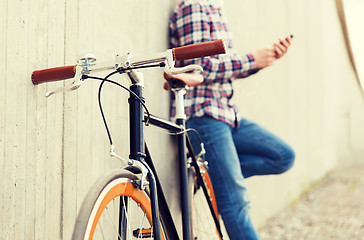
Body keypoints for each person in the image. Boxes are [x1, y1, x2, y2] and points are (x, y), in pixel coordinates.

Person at [168, 0, 295, 239]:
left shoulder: (215, 8)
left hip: (226, 114)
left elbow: (225, 69)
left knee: (283, 156)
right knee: (236, 206)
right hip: (203, 117)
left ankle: (216, 178)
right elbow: (198, 68)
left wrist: (264, 59)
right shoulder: (194, 7)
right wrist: (250, 59)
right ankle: (222, 180)